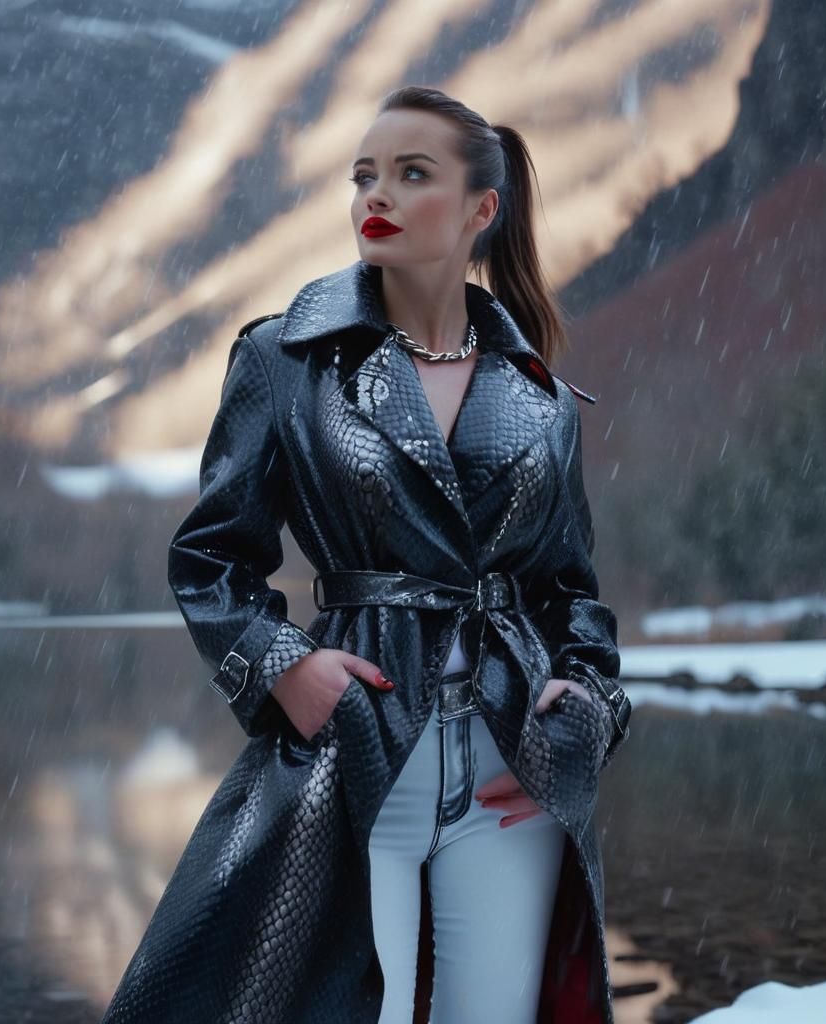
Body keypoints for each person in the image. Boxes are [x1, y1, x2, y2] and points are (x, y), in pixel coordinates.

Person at [101, 85, 632, 1024]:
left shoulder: (541, 394)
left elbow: (570, 594)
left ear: (481, 210)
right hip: (359, 737)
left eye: (410, 173)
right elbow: (212, 560)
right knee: (343, 1003)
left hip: (515, 756)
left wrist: (586, 702)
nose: (374, 195)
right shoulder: (285, 359)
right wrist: (286, 668)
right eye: (362, 176)